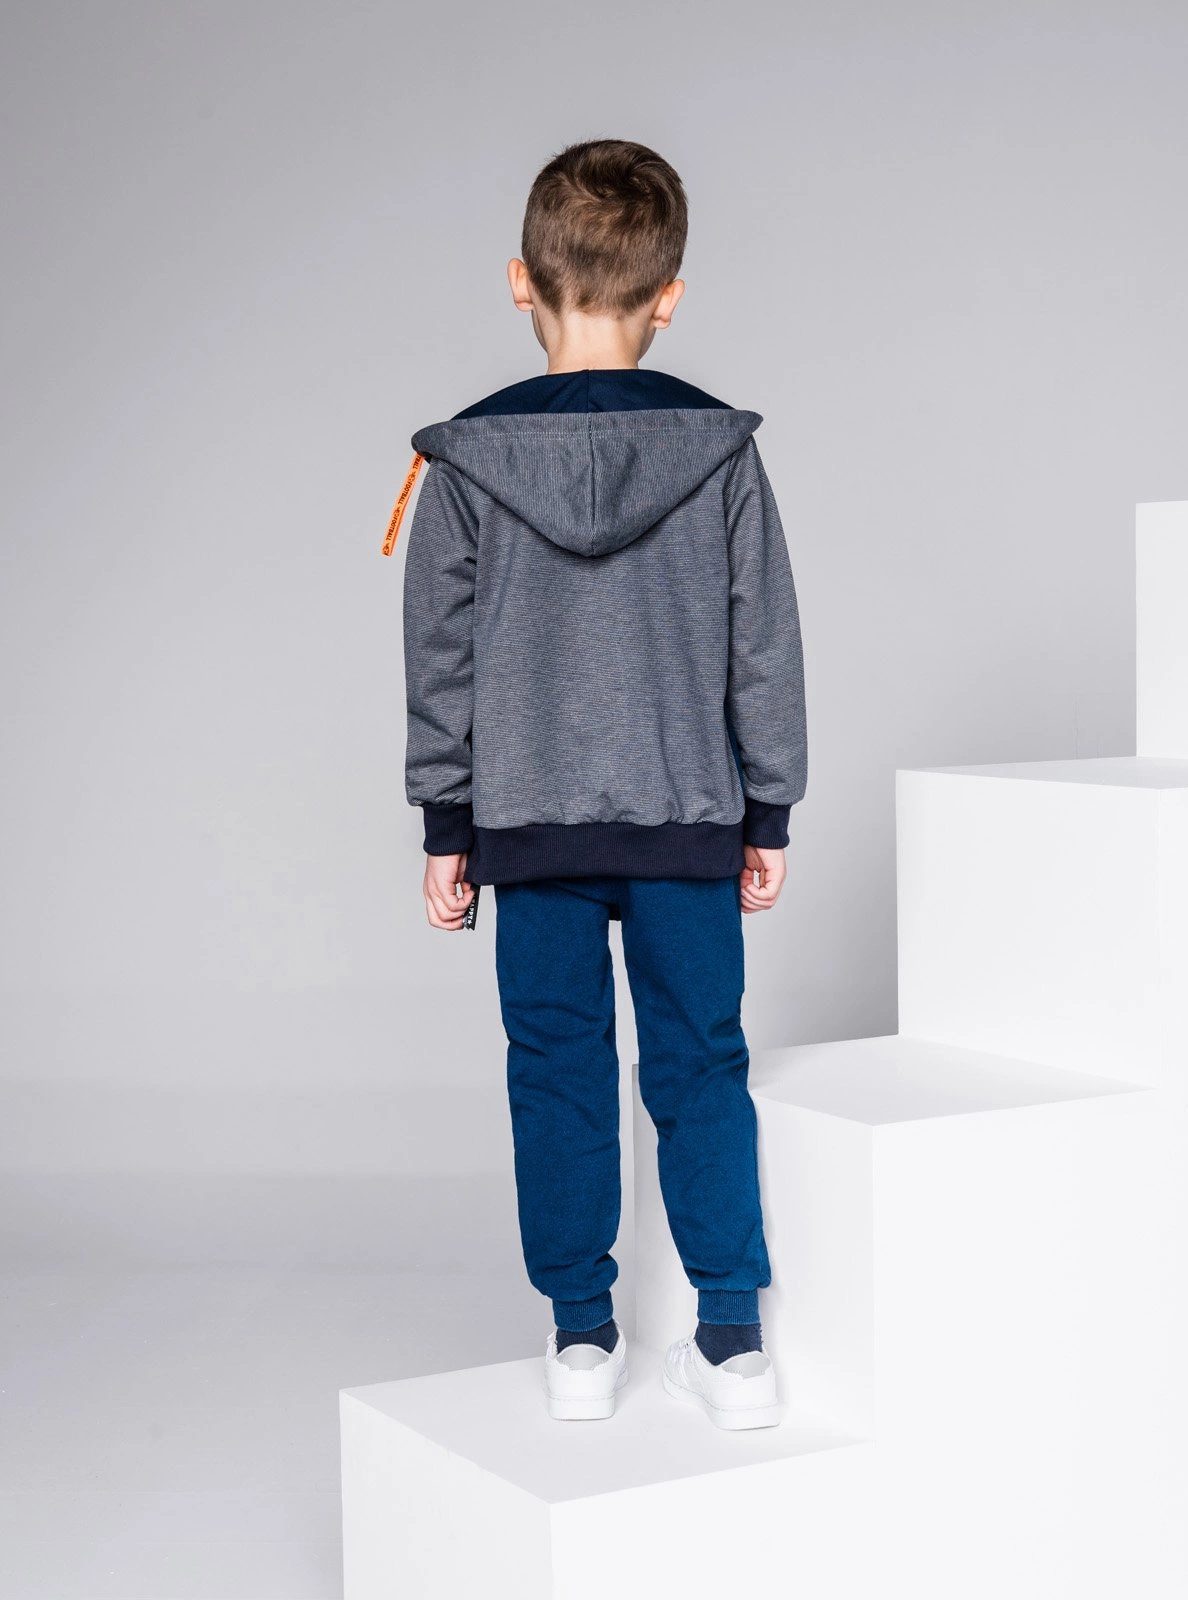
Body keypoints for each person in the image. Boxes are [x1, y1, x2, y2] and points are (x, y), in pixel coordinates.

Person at [400, 139, 807, 1430]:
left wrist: (448, 823)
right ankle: (732, 1343)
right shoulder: (719, 452)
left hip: (529, 825)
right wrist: (768, 808)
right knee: (702, 1065)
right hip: (688, 817)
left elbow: (440, 659)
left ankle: (582, 1339)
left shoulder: (467, 462)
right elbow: (762, 640)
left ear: (519, 281)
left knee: (556, 1070)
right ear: (668, 297)